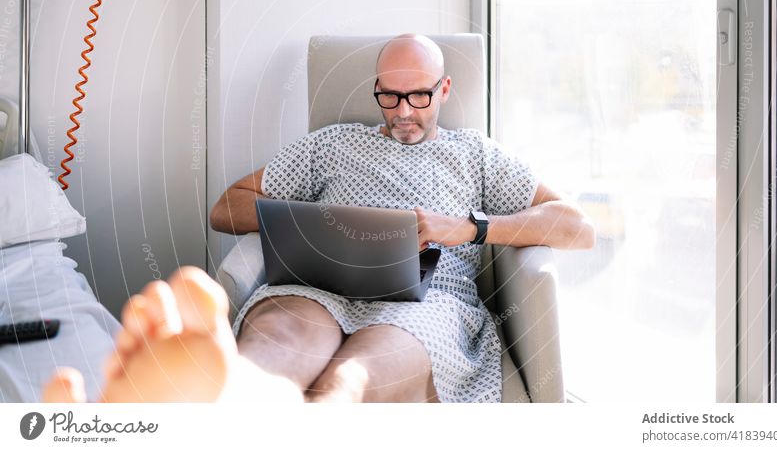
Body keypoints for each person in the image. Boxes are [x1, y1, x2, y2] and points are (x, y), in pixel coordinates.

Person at [44, 34, 595, 403]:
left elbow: (576, 225)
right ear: (376, 90)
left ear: (445, 90)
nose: (403, 110)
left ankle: (241, 418)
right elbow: (225, 208)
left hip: (428, 307)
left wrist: (470, 228)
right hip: (319, 287)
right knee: (277, 346)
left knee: (347, 384)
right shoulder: (331, 145)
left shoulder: (475, 154)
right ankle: (235, 393)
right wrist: (321, 221)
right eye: (390, 95)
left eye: (420, 95)